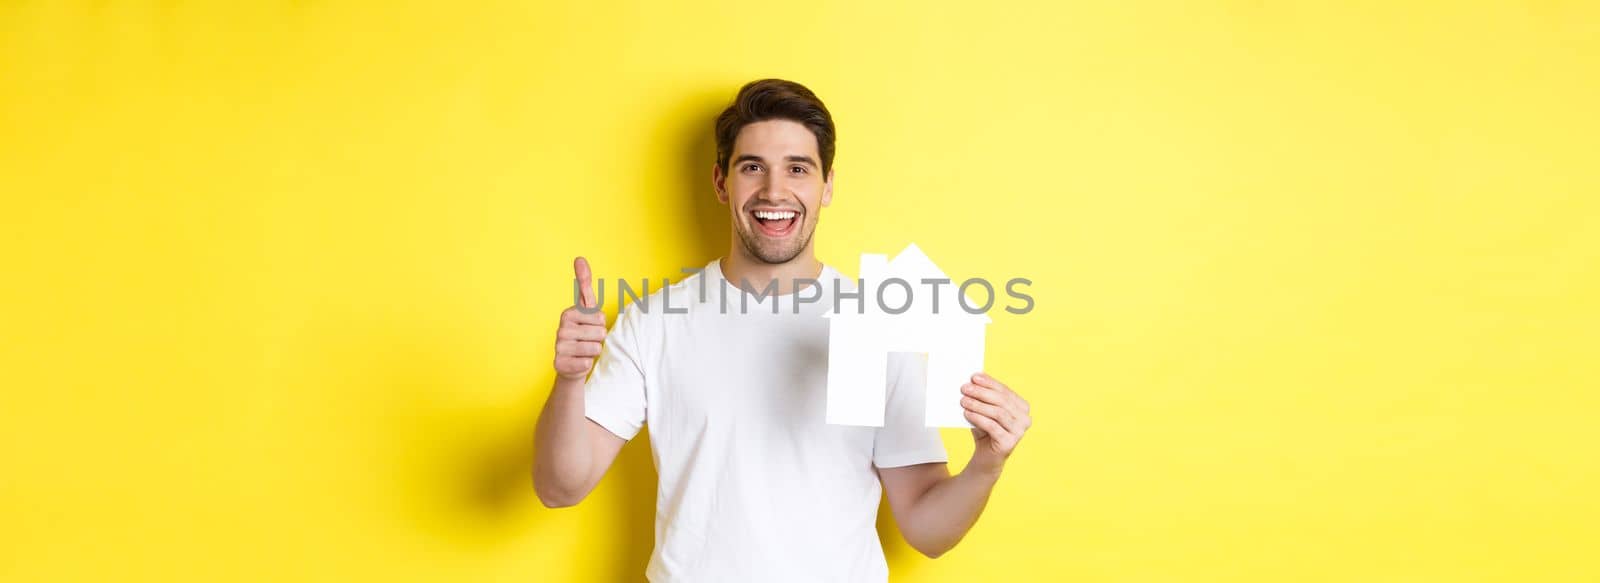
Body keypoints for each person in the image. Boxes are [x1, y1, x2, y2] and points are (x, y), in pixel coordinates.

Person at [533, 78, 1033, 582]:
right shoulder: (654, 322)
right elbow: (559, 488)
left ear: (827, 186)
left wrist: (986, 463)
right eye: (753, 167)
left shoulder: (877, 323)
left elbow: (928, 530)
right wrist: (570, 381)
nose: (775, 191)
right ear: (721, 182)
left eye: (798, 168)